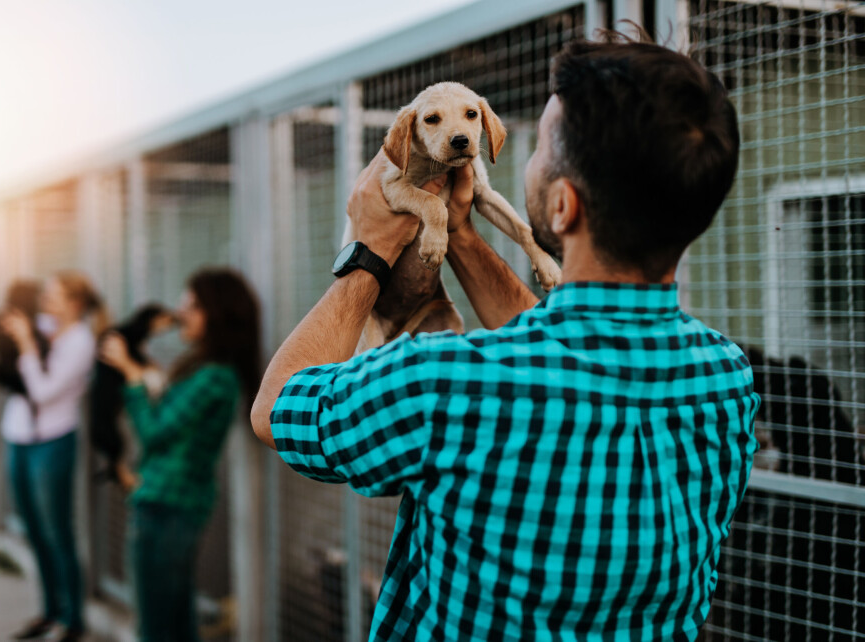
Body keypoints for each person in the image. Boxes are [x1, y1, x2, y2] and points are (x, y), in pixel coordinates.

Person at [251, 32, 759, 641]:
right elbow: (559, 349)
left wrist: (370, 250)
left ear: (564, 206)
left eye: (542, 146)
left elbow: (277, 408)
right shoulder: (726, 378)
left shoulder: (443, 382)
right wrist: (462, 235)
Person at [99, 267, 261, 642]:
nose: (179, 311)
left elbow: (154, 433)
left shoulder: (215, 376)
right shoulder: (203, 367)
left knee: (157, 624)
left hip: (168, 507)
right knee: (175, 616)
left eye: (192, 305)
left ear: (218, 313)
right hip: (168, 503)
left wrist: (130, 376)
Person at [0, 271, 110, 642]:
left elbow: (43, 392)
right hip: (18, 436)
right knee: (33, 530)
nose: (45, 300)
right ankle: (48, 612)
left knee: (57, 531)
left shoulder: (80, 342)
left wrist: (26, 345)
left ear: (75, 303)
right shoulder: (43, 325)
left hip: (53, 443)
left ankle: (73, 619)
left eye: (54, 294)